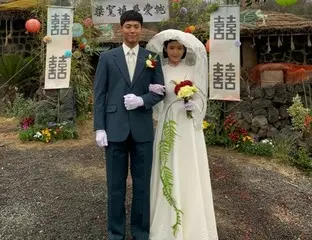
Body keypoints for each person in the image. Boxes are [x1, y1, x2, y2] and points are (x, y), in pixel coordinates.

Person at [93, 10, 165, 240]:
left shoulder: (152, 57)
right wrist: (99, 127)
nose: (132, 30)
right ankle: (115, 233)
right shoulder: (107, 57)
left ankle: (141, 231)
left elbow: (160, 90)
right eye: (128, 26)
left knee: (142, 185)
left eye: (136, 26)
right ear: (120, 28)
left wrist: (142, 100)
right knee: (115, 185)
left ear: (141, 29)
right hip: (114, 129)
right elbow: (100, 94)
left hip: (142, 129)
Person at [146, 29, 219, 240]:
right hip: (167, 122)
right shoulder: (160, 70)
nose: (175, 52)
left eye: (179, 48)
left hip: (187, 125)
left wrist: (193, 106)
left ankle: (193, 222)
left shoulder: (192, 69)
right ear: (165, 49)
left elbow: (201, 98)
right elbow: (157, 96)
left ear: (184, 50)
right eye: (171, 48)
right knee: (167, 165)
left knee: (189, 167)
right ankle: (164, 222)